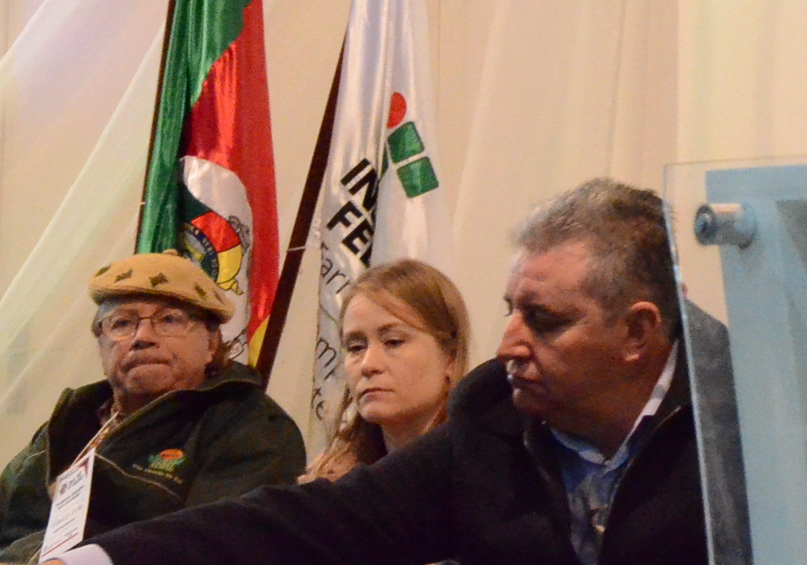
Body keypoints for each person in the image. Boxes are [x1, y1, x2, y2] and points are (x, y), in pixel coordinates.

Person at [46, 179, 706, 565]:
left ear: (638, 332)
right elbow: (318, 523)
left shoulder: (742, 420)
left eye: (545, 320)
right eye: (511, 312)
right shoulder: (494, 416)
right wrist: (106, 558)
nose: (509, 343)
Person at [0, 254, 304, 562]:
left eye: (169, 320)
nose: (142, 337)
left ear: (212, 344)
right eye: (122, 323)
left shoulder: (251, 428)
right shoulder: (73, 418)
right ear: (101, 345)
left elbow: (212, 549)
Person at [301, 260, 470, 481]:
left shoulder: (482, 473)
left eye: (393, 342)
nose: (368, 365)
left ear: (450, 356)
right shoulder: (334, 483)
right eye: (356, 347)